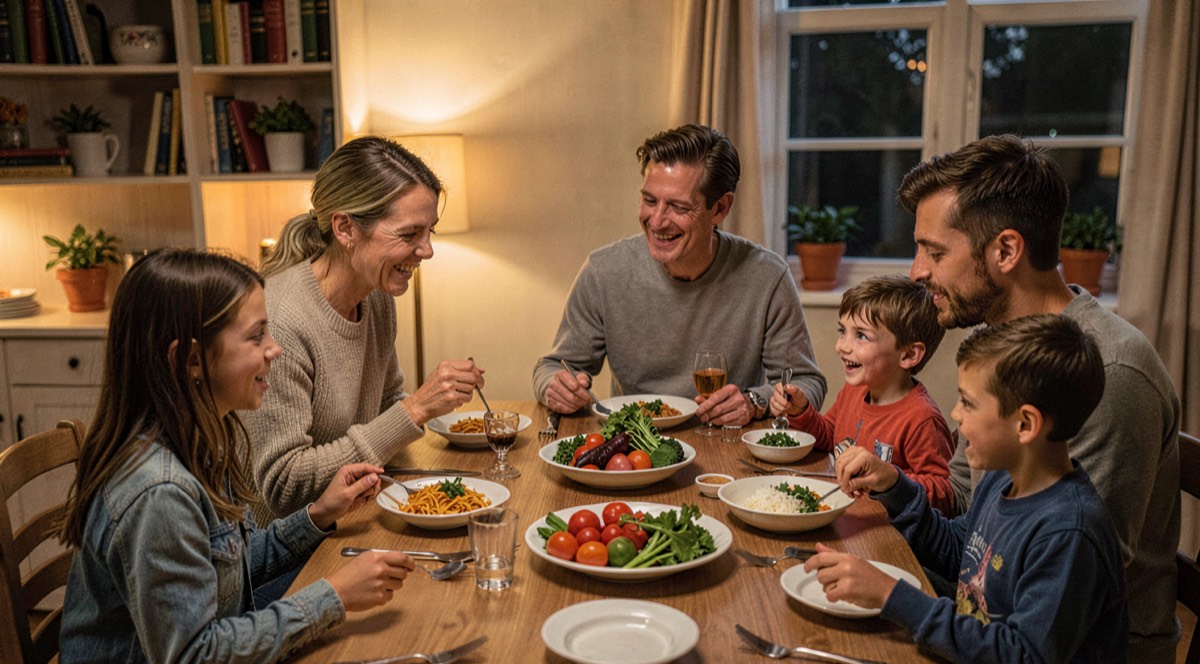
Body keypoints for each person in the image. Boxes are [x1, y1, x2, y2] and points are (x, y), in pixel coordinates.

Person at [57, 249, 415, 664]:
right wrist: (334, 595)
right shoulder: (159, 492)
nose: (275, 348)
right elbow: (192, 661)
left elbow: (231, 572)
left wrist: (317, 515)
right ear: (190, 359)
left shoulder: (205, 438)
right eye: (256, 336)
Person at [900, 134, 1181, 664]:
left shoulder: (1108, 370)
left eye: (935, 252)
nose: (917, 271)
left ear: (1006, 251)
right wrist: (890, 496)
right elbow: (967, 507)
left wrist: (908, 599)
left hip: (1089, 663)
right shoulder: (997, 352)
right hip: (992, 608)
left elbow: (1065, 580)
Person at [807, 314, 1127, 664]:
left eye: (968, 403)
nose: (955, 414)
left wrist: (892, 595)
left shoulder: (1069, 532)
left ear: (1025, 424)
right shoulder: (1002, 478)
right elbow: (960, 552)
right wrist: (894, 487)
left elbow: (1025, 661)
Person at [246, 136, 485, 520]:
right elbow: (284, 488)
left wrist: (418, 413)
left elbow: (386, 406)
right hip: (292, 543)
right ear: (345, 229)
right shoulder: (283, 321)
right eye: (409, 234)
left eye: (430, 232)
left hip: (355, 513)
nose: (427, 250)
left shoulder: (376, 297)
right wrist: (416, 408)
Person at [533, 124, 825, 426]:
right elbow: (551, 368)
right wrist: (555, 387)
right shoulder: (603, 271)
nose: (657, 221)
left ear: (720, 208)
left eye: (678, 207)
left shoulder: (767, 277)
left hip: (725, 445)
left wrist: (755, 402)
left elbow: (807, 383)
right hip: (634, 442)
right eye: (650, 201)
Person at [768, 274, 955, 515]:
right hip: (848, 515)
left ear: (909, 355)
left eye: (861, 336)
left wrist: (890, 479)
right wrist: (801, 412)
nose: (842, 346)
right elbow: (829, 438)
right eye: (843, 331)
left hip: (887, 532)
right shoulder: (853, 391)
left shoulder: (922, 419)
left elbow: (945, 495)